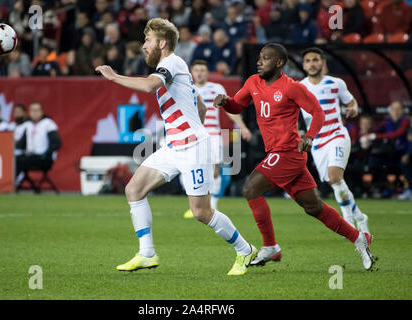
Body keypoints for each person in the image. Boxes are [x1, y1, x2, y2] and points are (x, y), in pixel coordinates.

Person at [95, 18, 257, 275]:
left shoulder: (171, 62)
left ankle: (245, 249)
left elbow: (149, 86)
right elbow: (200, 104)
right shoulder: (173, 68)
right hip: (174, 146)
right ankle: (147, 253)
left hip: (192, 148)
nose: (144, 46)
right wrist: (195, 126)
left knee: (201, 212)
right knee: (134, 189)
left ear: (162, 42)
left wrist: (114, 77)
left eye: (148, 40)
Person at [213, 43, 376, 271]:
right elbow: (238, 105)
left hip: (288, 153)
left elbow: (318, 112)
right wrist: (226, 102)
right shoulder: (252, 82)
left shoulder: (291, 87)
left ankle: (270, 247)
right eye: (259, 58)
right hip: (279, 154)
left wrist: (309, 136)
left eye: (266, 58)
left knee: (251, 189)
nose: (259, 62)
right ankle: (359, 238)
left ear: (279, 63)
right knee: (314, 207)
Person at [300, 47, 369, 232]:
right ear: (304, 65)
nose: (312, 63)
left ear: (322, 63)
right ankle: (360, 217)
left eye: (315, 60)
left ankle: (348, 221)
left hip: (336, 135)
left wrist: (353, 108)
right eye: (308, 60)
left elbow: (351, 101)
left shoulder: (336, 83)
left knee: (335, 176)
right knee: (334, 182)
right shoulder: (300, 88)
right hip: (317, 143)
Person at [183, 59, 252, 218]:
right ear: (192, 73)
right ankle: (196, 206)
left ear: (207, 73)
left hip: (213, 134)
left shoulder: (216, 88)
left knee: (214, 170)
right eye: (197, 70)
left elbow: (229, 110)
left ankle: (212, 206)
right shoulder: (188, 89)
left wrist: (242, 127)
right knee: (193, 169)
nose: (199, 73)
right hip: (193, 136)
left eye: (203, 70)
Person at [15, 102, 61, 179]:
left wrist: (46, 154)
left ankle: (11, 184)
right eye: (32, 110)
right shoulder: (27, 125)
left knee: (18, 161)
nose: (34, 113)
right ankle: (12, 183)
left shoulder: (48, 124)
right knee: (14, 159)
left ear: (42, 112)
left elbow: (56, 143)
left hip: (44, 158)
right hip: (30, 156)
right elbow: (21, 144)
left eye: (36, 110)